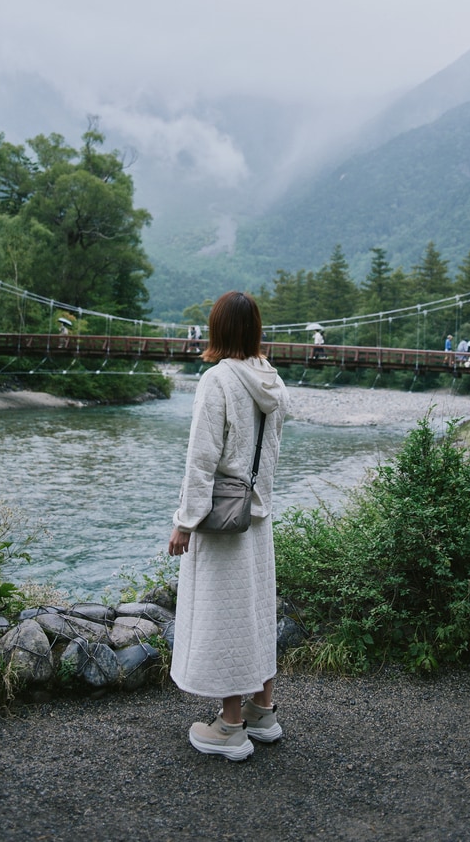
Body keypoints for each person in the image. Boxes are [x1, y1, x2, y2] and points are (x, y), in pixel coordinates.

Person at [168, 291, 289, 761]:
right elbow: (273, 453)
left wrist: (185, 522)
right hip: (258, 518)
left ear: (218, 330)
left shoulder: (217, 380)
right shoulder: (273, 380)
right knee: (257, 612)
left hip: (223, 519)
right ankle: (264, 712)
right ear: (256, 329)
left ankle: (230, 727)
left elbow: (201, 459)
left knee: (227, 618)